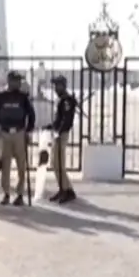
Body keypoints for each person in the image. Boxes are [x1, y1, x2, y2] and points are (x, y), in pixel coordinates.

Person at [0, 71, 36, 206]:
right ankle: (6, 194)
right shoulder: (1, 96)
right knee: (6, 165)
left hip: (19, 133)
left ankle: (20, 194)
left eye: (19, 81)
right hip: (5, 134)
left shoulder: (23, 97)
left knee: (21, 166)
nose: (18, 83)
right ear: (9, 81)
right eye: (15, 80)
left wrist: (28, 130)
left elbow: (31, 114)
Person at [45, 75, 78, 204]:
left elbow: (67, 119)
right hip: (57, 133)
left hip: (61, 134)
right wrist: (52, 126)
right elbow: (59, 118)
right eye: (54, 85)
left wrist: (58, 131)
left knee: (58, 163)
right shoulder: (61, 99)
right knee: (55, 163)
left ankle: (67, 191)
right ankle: (64, 188)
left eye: (57, 85)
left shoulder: (66, 100)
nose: (55, 88)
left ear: (63, 86)